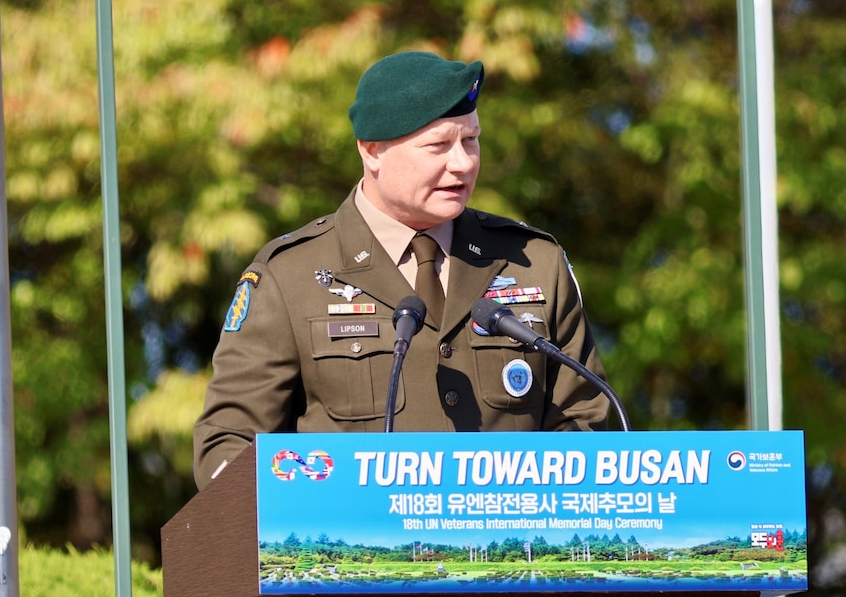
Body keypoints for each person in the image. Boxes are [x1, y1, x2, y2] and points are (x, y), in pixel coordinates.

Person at [192, 50, 611, 486]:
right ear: (372, 151)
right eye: (438, 146)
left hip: (507, 543)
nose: (463, 163)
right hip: (354, 547)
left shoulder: (533, 262)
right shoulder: (291, 277)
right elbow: (228, 446)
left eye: (471, 140)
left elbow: (589, 420)